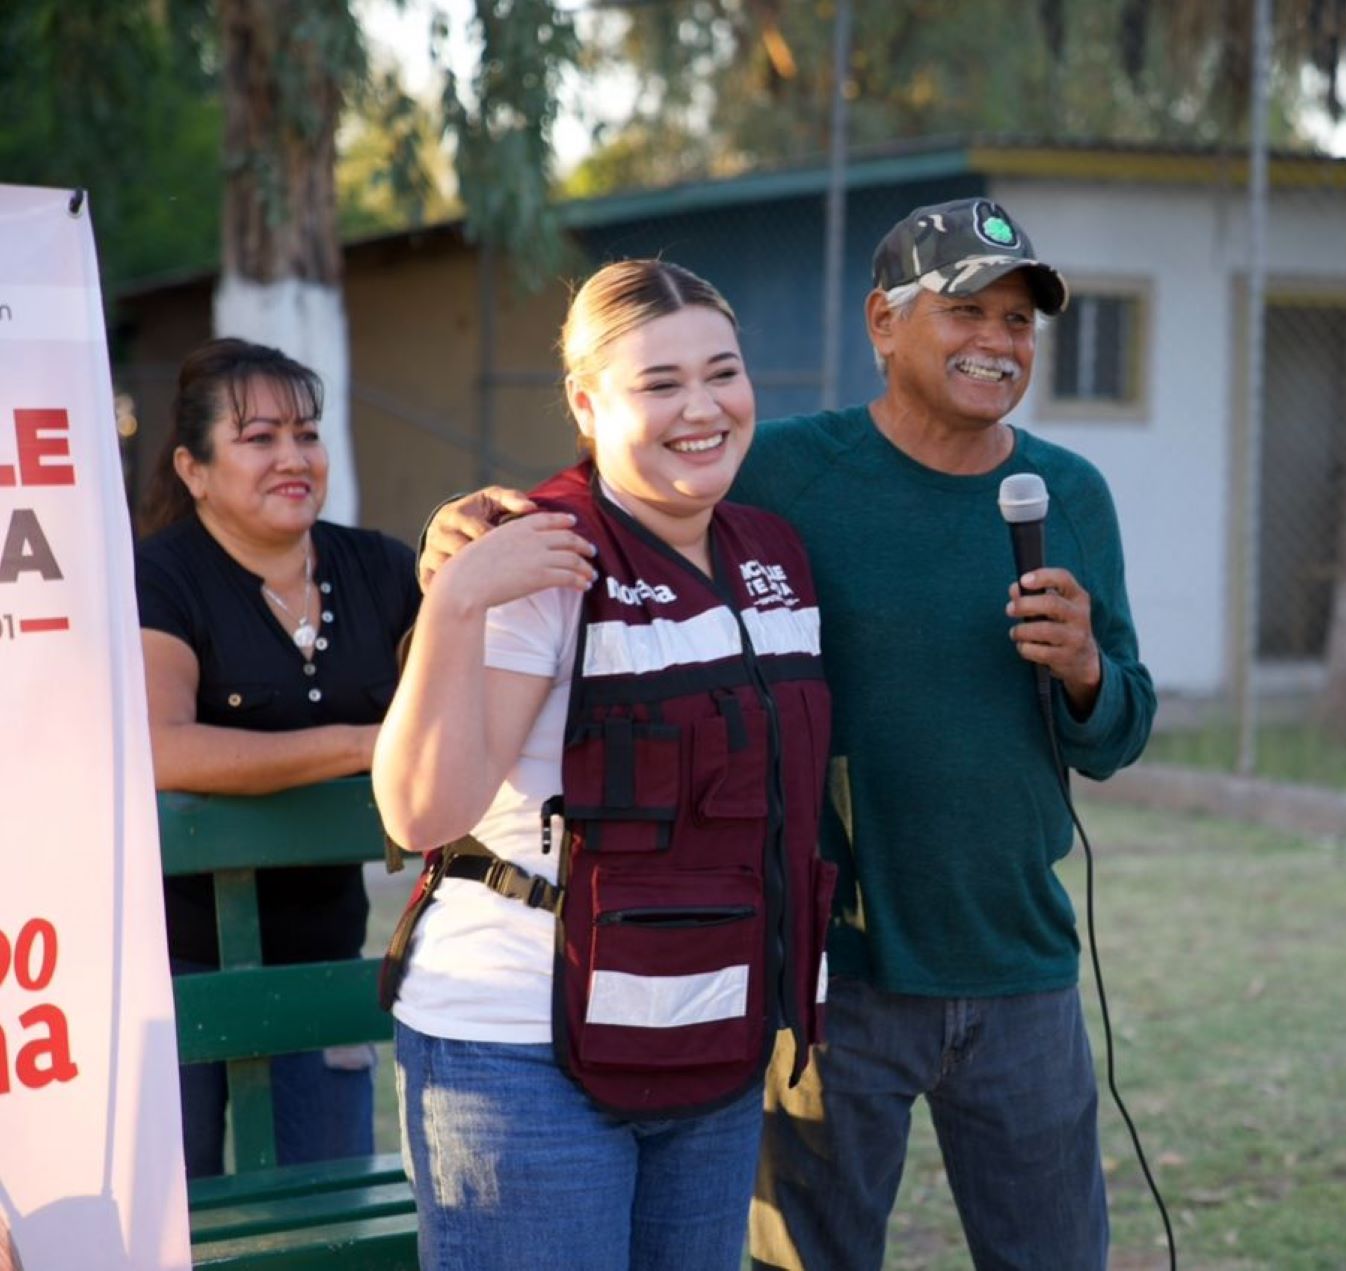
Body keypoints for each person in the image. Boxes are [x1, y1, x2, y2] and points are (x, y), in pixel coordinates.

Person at [420, 199, 1157, 1270]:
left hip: (1021, 962)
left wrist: (1090, 671)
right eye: (966, 312)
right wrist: (473, 528)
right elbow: (625, 490)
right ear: (883, 322)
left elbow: (1116, 733)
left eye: (1018, 322)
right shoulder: (782, 476)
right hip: (826, 971)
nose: (998, 343)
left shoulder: (1067, 493)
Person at [373, 259, 835, 1271]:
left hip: (706, 1026)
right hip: (520, 1042)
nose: (702, 408)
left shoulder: (775, 554)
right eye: (660, 383)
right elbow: (418, 809)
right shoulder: (538, 556)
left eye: (723, 372)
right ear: (586, 400)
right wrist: (454, 599)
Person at [136, 338, 420, 1179]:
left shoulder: (381, 567)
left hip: (325, 952)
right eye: (260, 438)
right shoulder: (158, 576)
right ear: (194, 468)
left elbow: (449, 712)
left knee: (325, 1201)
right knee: (173, 1217)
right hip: (172, 962)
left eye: (307, 433)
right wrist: (367, 745)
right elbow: (161, 745)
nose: (292, 458)